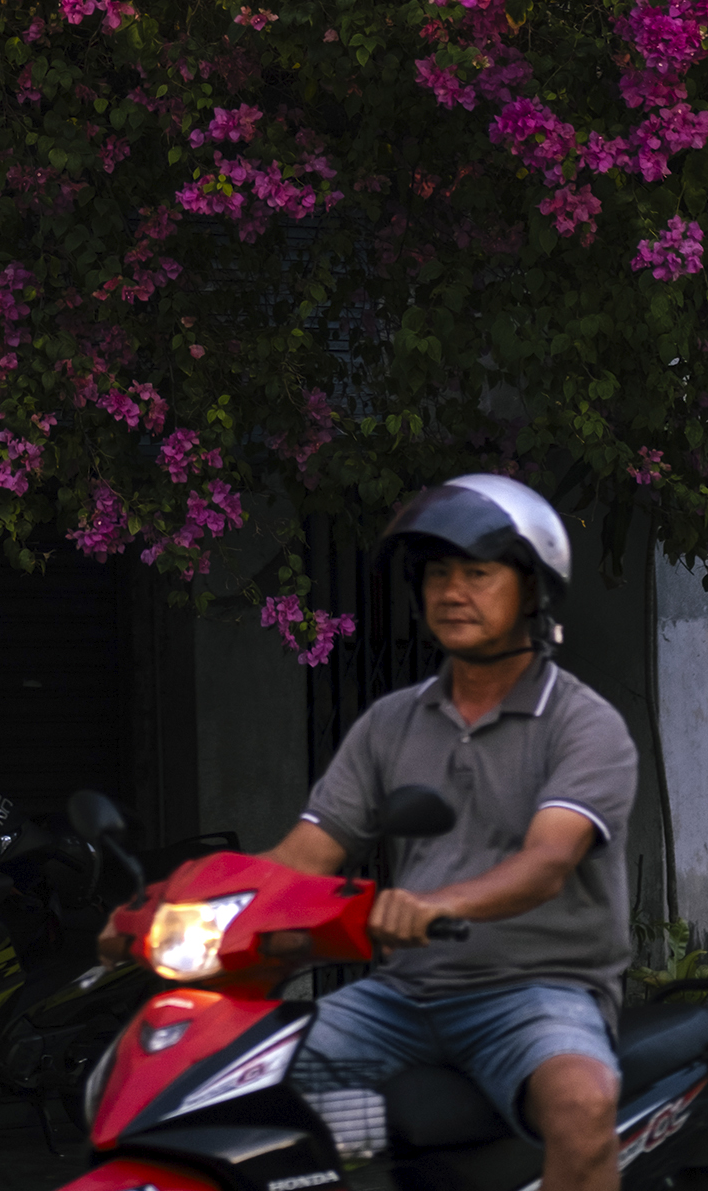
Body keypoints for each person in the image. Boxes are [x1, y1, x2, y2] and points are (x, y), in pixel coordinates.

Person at [263, 475, 638, 1191]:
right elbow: (303, 856)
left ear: (531, 589)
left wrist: (441, 905)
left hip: (537, 991)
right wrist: (182, 905)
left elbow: (548, 860)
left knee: (584, 1105)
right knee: (249, 1075)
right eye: (437, 572)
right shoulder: (391, 723)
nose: (452, 591)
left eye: (476, 572)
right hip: (403, 994)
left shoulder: (584, 725)